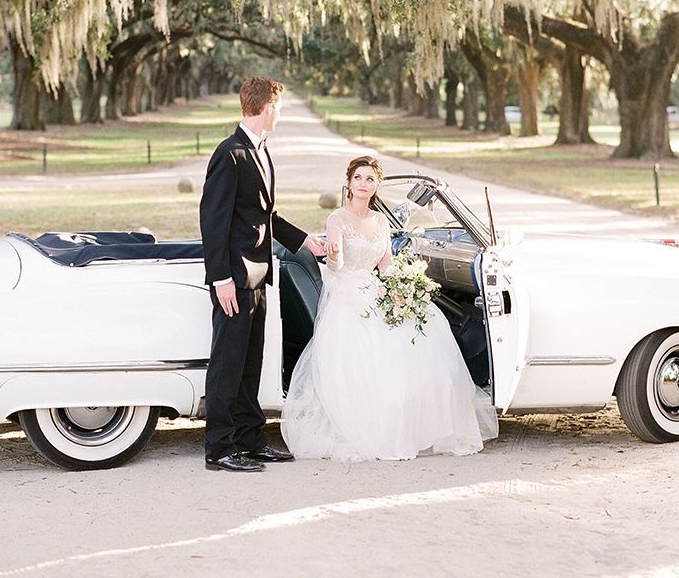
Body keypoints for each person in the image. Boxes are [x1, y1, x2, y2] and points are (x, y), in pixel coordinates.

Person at [281, 156, 498, 461]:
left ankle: (418, 421)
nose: (363, 184)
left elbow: (385, 265)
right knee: (370, 344)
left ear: (376, 185)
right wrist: (332, 254)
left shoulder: (381, 221)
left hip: (374, 287)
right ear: (349, 182)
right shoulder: (337, 219)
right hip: (346, 291)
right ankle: (373, 424)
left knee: (429, 323)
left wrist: (405, 285)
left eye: (370, 179)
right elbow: (337, 266)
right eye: (358, 178)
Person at [199, 76, 327, 473]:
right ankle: (219, 449)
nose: (280, 115)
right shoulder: (230, 153)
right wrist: (220, 278)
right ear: (268, 108)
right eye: (279, 108)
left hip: (259, 276)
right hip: (234, 279)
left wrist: (304, 241)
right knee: (227, 363)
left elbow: (265, 215)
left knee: (251, 362)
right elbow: (212, 221)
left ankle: (251, 440)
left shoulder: (260, 152)